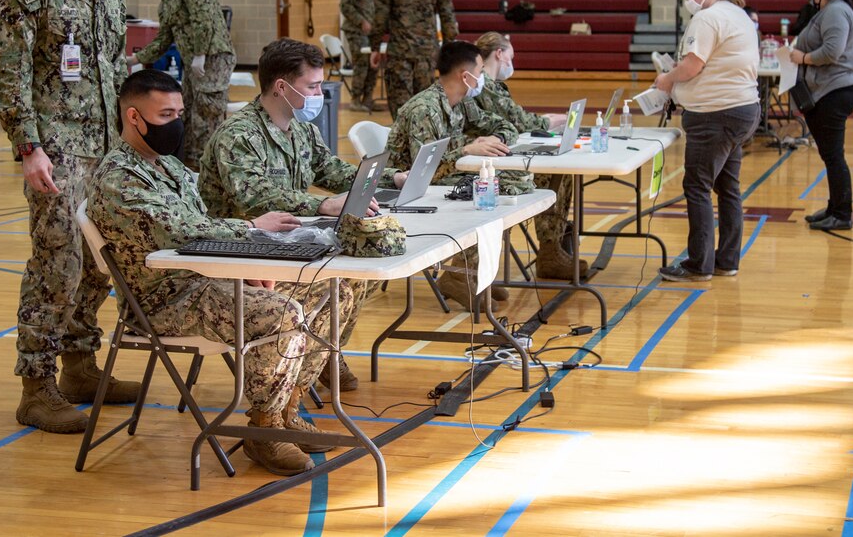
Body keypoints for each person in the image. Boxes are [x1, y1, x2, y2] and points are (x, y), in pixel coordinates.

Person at [88, 69, 320, 476]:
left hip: (202, 278)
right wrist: (250, 228)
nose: (176, 123)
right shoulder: (118, 178)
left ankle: (285, 408)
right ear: (133, 117)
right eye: (165, 115)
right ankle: (263, 430)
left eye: (179, 112)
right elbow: (182, 230)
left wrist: (245, 267)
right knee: (282, 313)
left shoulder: (171, 167)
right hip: (163, 299)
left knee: (324, 293)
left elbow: (202, 232)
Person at [0, 0, 141, 434]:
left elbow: (115, 68)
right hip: (56, 150)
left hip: (106, 151)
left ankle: (80, 366)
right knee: (58, 263)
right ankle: (37, 385)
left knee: (102, 261)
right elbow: (9, 74)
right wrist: (28, 148)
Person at [199, 38, 407, 391]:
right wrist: (321, 205)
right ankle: (289, 390)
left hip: (287, 244)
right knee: (333, 282)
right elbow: (255, 198)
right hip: (242, 251)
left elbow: (332, 170)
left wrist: (392, 178)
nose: (319, 94)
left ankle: (324, 351)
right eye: (312, 86)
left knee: (359, 268)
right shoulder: (239, 135)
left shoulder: (301, 130)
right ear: (282, 87)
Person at [387, 40, 527, 308]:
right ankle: (458, 276)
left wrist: (494, 139)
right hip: (409, 189)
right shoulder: (424, 109)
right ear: (466, 76)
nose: (483, 77)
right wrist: (467, 148)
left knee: (513, 181)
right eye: (480, 71)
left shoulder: (461, 101)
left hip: (442, 178)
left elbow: (505, 125)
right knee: (494, 188)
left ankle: (474, 272)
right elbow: (423, 171)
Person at [653, 0, 760, 282]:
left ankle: (699, 263)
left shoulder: (707, 18)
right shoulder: (737, 13)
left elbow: (693, 65)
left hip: (716, 114)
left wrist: (667, 79)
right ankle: (726, 260)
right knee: (728, 187)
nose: (687, 0)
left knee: (697, 186)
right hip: (742, 109)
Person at [472, 32, 587, 279]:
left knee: (558, 172)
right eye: (510, 57)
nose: (511, 64)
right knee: (553, 174)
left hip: (494, 151)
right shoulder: (484, 83)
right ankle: (549, 253)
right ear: (499, 54)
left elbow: (511, 119)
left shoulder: (487, 83)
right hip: (482, 161)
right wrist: (546, 121)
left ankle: (551, 250)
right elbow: (517, 119)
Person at [130, 0, 236, 169]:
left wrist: (200, 53)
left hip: (212, 59)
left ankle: (213, 171)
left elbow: (203, 19)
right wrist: (135, 59)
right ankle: (192, 169)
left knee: (206, 118)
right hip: (193, 63)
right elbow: (164, 39)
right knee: (186, 115)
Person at [787, 0, 853, 231]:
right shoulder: (831, 11)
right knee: (830, 155)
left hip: (835, 91)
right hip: (830, 89)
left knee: (834, 156)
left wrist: (803, 58)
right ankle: (834, 207)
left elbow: (832, 51)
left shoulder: (835, 12)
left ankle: (842, 214)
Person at [370, 0, 459, 117]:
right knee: (426, 107)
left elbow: (380, 16)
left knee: (401, 109)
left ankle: (402, 146)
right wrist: (450, 49)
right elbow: (447, 15)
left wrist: (375, 47)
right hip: (427, 53)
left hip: (399, 52)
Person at [340, 0, 384, 112]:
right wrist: (361, 21)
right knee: (362, 64)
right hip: (356, 32)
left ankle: (367, 99)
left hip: (367, 33)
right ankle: (355, 100)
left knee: (372, 65)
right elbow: (345, 5)